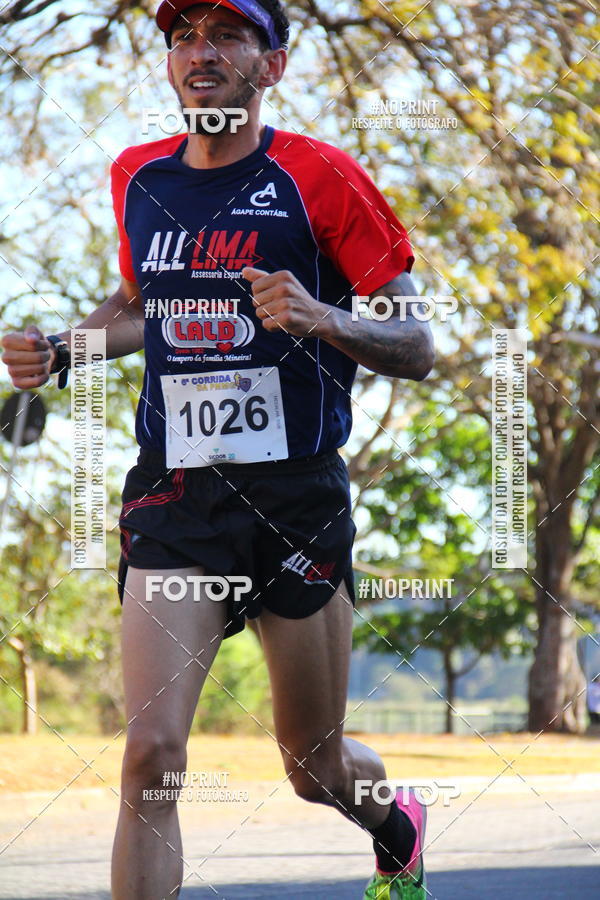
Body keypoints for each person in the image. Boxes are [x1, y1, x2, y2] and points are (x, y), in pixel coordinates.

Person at [1, 2, 435, 897]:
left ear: (270, 66)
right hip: (175, 499)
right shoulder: (138, 178)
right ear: (169, 66)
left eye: (227, 34)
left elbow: (418, 345)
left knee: (313, 767)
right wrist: (59, 351)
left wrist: (323, 316)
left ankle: (394, 818)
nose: (200, 51)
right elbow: (136, 306)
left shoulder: (321, 176)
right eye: (183, 36)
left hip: (297, 501)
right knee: (150, 754)